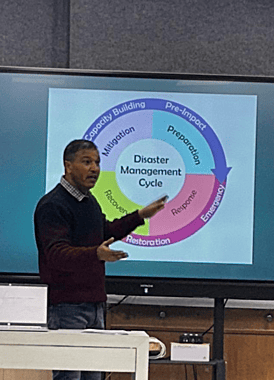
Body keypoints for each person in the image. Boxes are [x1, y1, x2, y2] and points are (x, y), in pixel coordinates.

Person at [34, 139, 166, 380]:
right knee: (69, 377)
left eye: (97, 162)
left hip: (95, 306)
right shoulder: (53, 205)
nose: (94, 168)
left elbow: (104, 232)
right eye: (87, 162)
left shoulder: (89, 202)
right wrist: (95, 253)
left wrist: (139, 216)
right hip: (66, 308)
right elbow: (56, 254)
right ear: (68, 166)